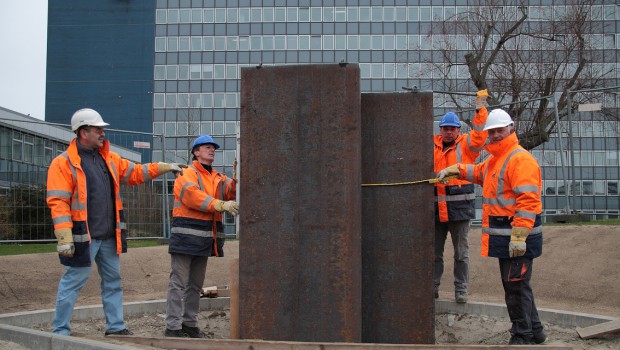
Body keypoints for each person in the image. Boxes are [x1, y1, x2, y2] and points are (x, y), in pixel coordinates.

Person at [46, 108, 186, 336]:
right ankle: (60, 330)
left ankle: (116, 327)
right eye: (98, 129)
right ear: (83, 132)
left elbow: (136, 172)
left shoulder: (109, 159)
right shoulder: (63, 164)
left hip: (109, 237)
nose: (103, 133)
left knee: (113, 282)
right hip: (84, 236)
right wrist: (64, 237)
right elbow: (58, 202)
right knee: (73, 282)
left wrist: (162, 167)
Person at [437, 109, 546, 345]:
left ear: (511, 128)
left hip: (517, 236)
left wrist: (519, 236)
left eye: (499, 130)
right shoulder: (497, 158)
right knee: (518, 285)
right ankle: (535, 331)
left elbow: (528, 201)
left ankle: (522, 336)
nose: (495, 135)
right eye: (492, 131)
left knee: (515, 289)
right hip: (507, 236)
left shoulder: (520, 159)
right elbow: (478, 172)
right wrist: (456, 169)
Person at [164, 134, 239, 338]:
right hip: (185, 237)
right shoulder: (186, 173)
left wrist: (238, 176)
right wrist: (218, 204)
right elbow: (192, 196)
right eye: (207, 147)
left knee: (195, 285)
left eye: (213, 147)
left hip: (204, 239)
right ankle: (172, 327)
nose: (212, 150)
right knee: (178, 283)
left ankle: (189, 324)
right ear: (196, 152)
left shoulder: (217, 177)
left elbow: (232, 191)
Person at [433, 89, 488, 303]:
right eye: (445, 129)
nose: (448, 132)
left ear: (458, 130)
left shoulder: (466, 145)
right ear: (440, 130)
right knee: (434, 254)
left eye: (452, 129)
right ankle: (433, 287)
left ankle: (461, 289)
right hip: (436, 211)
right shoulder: (433, 146)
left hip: (459, 211)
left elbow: (481, 134)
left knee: (461, 253)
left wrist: (480, 109)